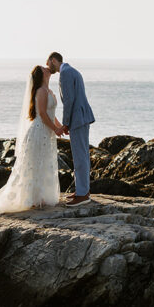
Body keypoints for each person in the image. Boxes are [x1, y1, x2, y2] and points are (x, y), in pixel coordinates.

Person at [0, 65, 64, 216]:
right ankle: (32, 198)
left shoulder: (48, 91)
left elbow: (51, 113)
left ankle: (41, 197)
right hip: (39, 131)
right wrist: (55, 129)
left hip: (47, 132)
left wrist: (60, 127)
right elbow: (41, 113)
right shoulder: (40, 91)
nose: (47, 68)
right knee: (35, 163)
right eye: (44, 69)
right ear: (41, 75)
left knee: (45, 161)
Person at [46, 52, 95, 206]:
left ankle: (82, 195)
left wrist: (65, 123)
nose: (48, 67)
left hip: (78, 119)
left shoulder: (65, 73)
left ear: (53, 60)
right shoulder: (72, 70)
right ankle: (82, 190)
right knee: (82, 155)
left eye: (48, 63)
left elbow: (69, 101)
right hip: (82, 117)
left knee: (80, 156)